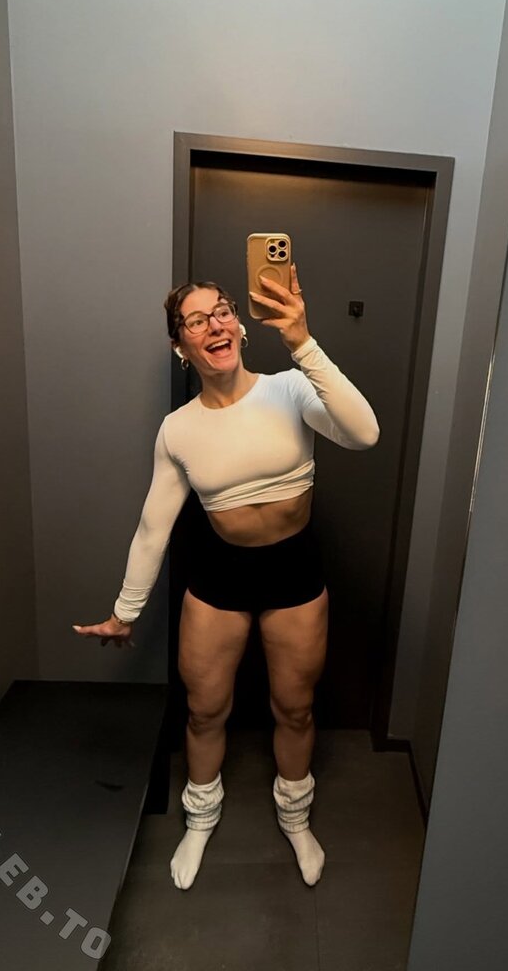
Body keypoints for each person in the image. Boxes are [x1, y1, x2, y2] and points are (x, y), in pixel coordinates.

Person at [72, 264, 379, 890]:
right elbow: (153, 528)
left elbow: (364, 433)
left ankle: (296, 818)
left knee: (295, 708)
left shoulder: (291, 389)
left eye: (222, 312)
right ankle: (200, 819)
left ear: (239, 324)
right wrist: (125, 612)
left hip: (294, 572)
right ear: (179, 345)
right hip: (219, 579)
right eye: (196, 320)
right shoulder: (179, 429)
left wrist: (302, 341)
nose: (214, 325)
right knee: (205, 709)